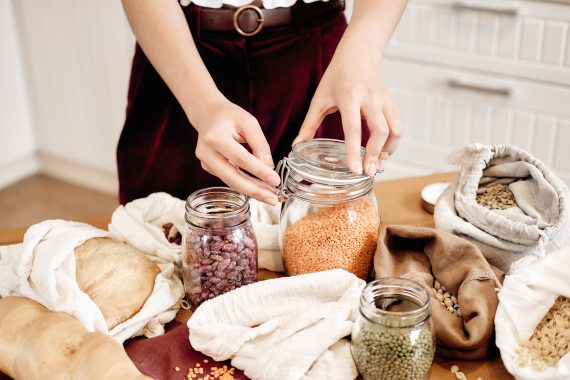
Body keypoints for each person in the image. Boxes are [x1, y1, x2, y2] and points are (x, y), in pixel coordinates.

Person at [118, 0, 406, 205]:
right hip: (179, 58)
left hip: (322, 60)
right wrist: (203, 106)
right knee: (163, 236)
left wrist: (362, 55)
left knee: (330, 231)